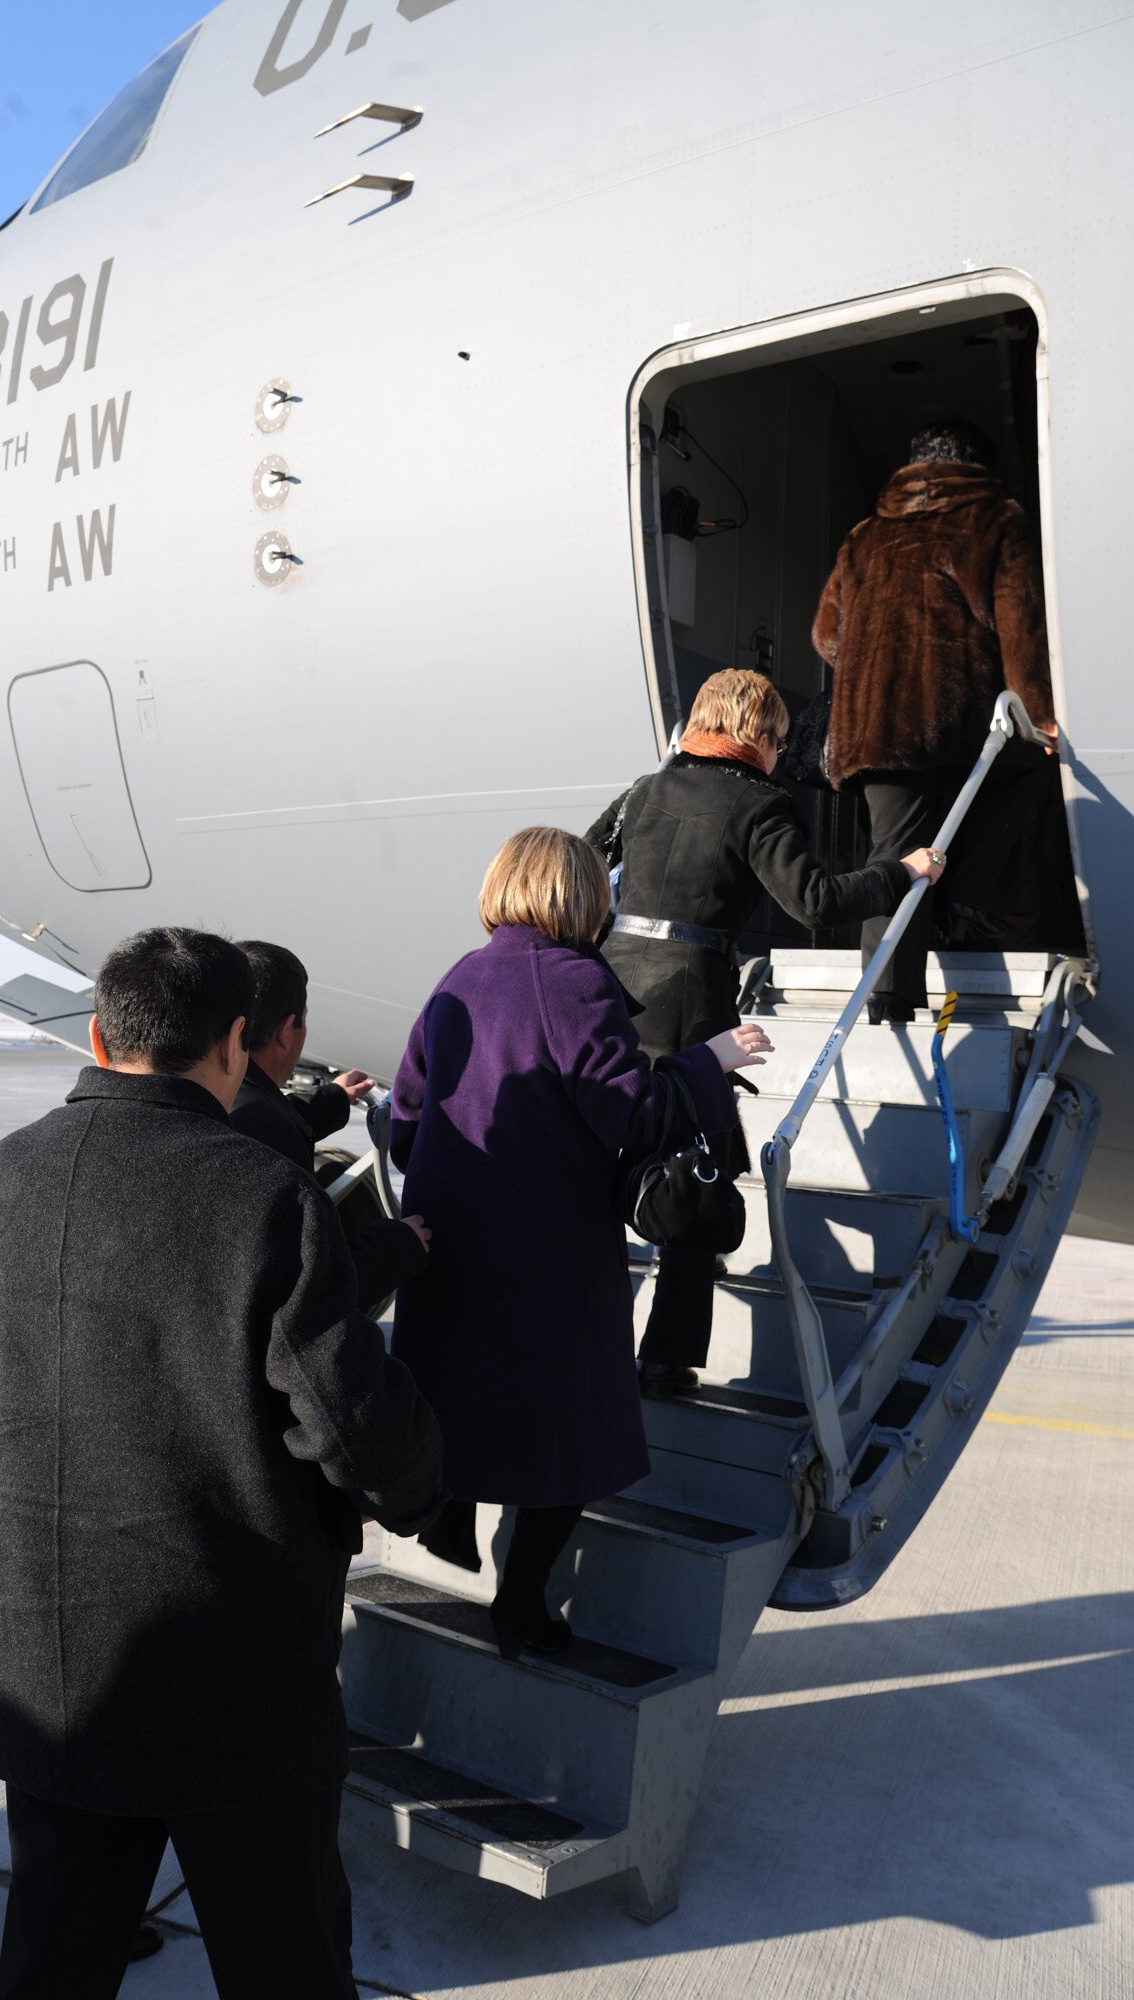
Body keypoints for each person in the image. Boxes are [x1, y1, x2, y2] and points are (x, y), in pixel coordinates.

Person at [0, 927, 443, 2000]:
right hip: (238, 1674)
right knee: (284, 1955)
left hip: (57, 1662)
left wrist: (9, 1573)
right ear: (235, 1043)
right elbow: (348, 1423)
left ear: (102, 1033)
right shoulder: (260, 1194)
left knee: (55, 1955)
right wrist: (418, 1486)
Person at [389, 827, 768, 1660]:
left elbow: (403, 1123)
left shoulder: (461, 975)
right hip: (544, 1255)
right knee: (567, 1437)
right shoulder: (569, 983)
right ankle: (519, 1606)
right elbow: (626, 1113)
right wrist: (702, 1063)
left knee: (459, 1401)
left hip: (450, 1239)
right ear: (585, 897)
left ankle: (449, 1517)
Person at [587, 669, 943, 1395]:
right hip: (689, 1002)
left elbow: (583, 862)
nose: (782, 755)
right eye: (780, 740)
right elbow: (814, 902)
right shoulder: (760, 805)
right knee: (695, 1170)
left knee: (602, 1158)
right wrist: (898, 870)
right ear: (760, 736)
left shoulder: (644, 789)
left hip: (611, 988)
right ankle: (663, 1358)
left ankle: (584, 1342)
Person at [812, 419, 1059, 1021]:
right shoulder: (997, 519)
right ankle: (916, 972)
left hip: (874, 728)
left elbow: (824, 636)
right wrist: (1041, 718)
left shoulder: (862, 536)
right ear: (977, 466)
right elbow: (1020, 625)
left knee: (893, 854)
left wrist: (878, 659)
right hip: (960, 723)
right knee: (1018, 800)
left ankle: (894, 993)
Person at [229, 940, 430, 1314]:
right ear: (288, 1030)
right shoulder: (261, 1129)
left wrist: (330, 1101)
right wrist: (398, 1245)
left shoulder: (218, 1100)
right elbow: (307, 1293)